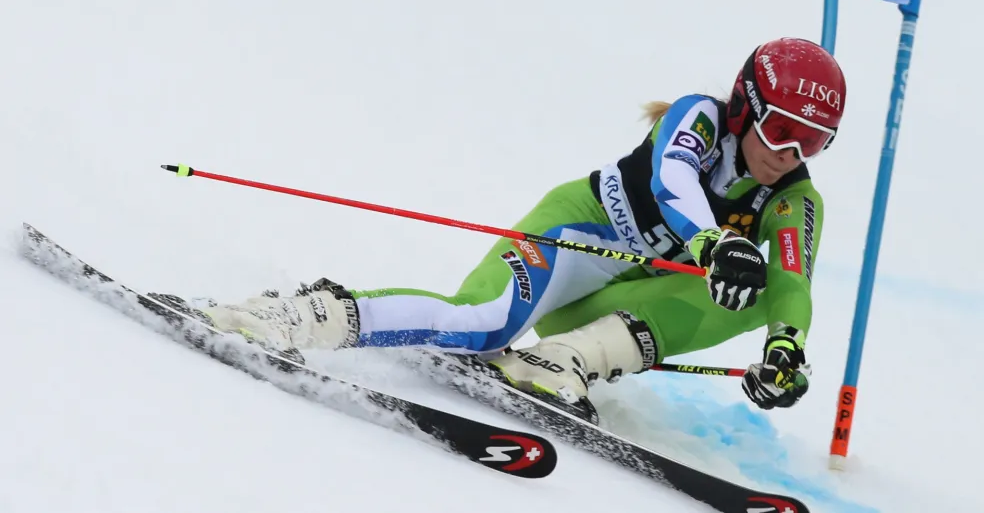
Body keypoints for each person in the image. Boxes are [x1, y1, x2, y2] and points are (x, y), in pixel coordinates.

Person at [189, 37, 845, 418]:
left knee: (758, 287)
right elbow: (673, 180)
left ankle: (559, 362)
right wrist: (712, 242)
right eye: (780, 130)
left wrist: (785, 352)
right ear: (746, 106)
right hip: (579, 236)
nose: (790, 154)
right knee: (481, 325)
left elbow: (794, 282)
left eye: (813, 141)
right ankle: (294, 317)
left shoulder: (794, 197)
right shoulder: (699, 117)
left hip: (617, 300)